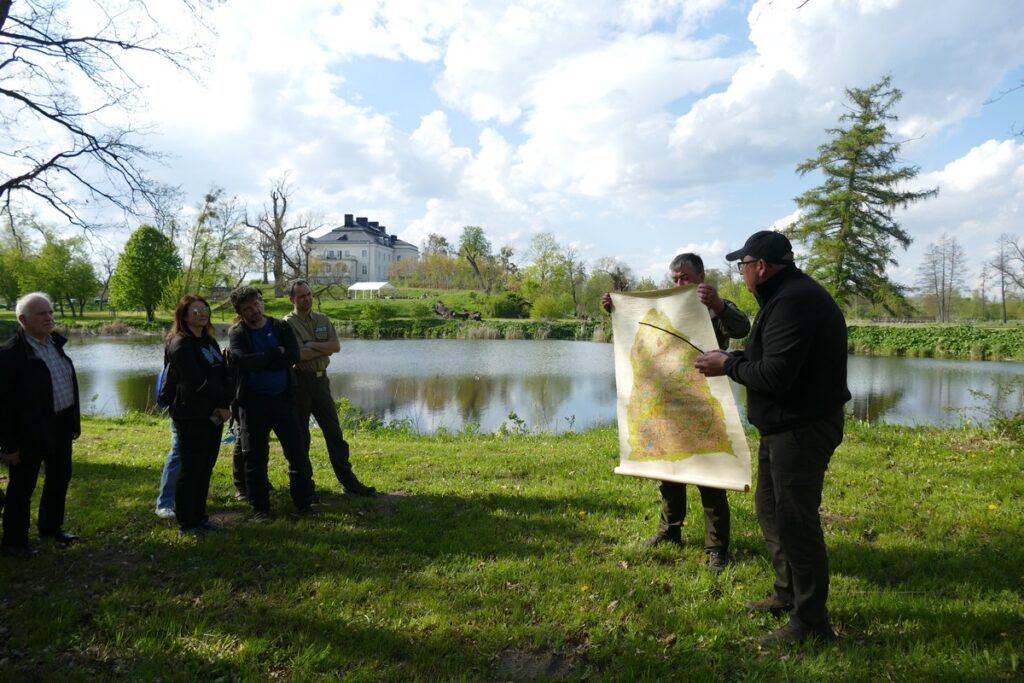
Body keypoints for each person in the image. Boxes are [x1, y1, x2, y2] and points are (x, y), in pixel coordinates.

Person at [694, 231, 850, 646]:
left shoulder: (794, 301)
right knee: (770, 510)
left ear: (760, 266)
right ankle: (787, 593)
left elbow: (776, 375)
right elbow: (769, 358)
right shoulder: (784, 297)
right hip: (784, 426)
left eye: (742, 266)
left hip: (802, 428)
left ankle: (810, 622)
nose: (741, 273)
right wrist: (736, 358)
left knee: (797, 523)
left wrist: (727, 365)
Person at [602, 253, 750, 572]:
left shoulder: (714, 305)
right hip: (666, 402)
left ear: (701, 277)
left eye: (685, 278)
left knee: (710, 477)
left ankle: (717, 548)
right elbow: (638, 328)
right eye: (675, 279)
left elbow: (742, 327)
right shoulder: (666, 306)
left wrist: (718, 304)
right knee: (669, 471)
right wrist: (616, 308)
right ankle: (669, 531)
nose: (679, 283)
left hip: (702, 402)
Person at [0, 292, 81, 557]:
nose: (48, 317)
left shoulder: (54, 343)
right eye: (41, 314)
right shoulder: (10, 356)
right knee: (22, 487)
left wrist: (72, 421)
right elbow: (3, 407)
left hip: (61, 425)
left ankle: (51, 527)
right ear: (23, 320)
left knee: (59, 477)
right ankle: (15, 542)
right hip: (29, 431)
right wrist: (9, 446)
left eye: (50, 312)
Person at [228, 286, 315, 519]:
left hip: (283, 400)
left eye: (257, 303)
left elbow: (293, 355)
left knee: (297, 454)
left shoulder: (280, 327)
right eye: (248, 308)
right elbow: (242, 362)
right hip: (252, 403)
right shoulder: (238, 333)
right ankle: (260, 508)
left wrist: (263, 361)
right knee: (255, 458)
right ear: (240, 312)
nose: (255, 310)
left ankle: (303, 503)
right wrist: (274, 353)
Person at [284, 280, 376, 497]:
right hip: (300, 383)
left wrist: (311, 345)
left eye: (309, 294)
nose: (307, 299)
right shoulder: (287, 324)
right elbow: (298, 355)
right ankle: (305, 486)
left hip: (321, 382)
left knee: (334, 433)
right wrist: (321, 348)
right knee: (301, 437)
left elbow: (336, 346)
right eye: (301, 296)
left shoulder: (322, 319)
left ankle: (348, 482)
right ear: (292, 299)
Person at [165, 295, 232, 535]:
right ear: (184, 316)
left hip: (214, 414)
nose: (202, 314)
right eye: (196, 311)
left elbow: (222, 374)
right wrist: (221, 401)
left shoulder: (208, 341)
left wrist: (225, 403)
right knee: (192, 468)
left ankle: (200, 517)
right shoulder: (180, 344)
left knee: (206, 466)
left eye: (205, 309)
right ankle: (187, 523)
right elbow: (196, 382)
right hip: (191, 414)